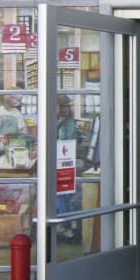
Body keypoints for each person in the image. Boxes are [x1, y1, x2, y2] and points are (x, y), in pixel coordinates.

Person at [56, 95, 79, 240]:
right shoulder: (62, 122)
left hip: (62, 162)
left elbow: (64, 141)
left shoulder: (67, 123)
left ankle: (66, 224)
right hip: (63, 162)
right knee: (64, 194)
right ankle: (69, 223)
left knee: (61, 193)